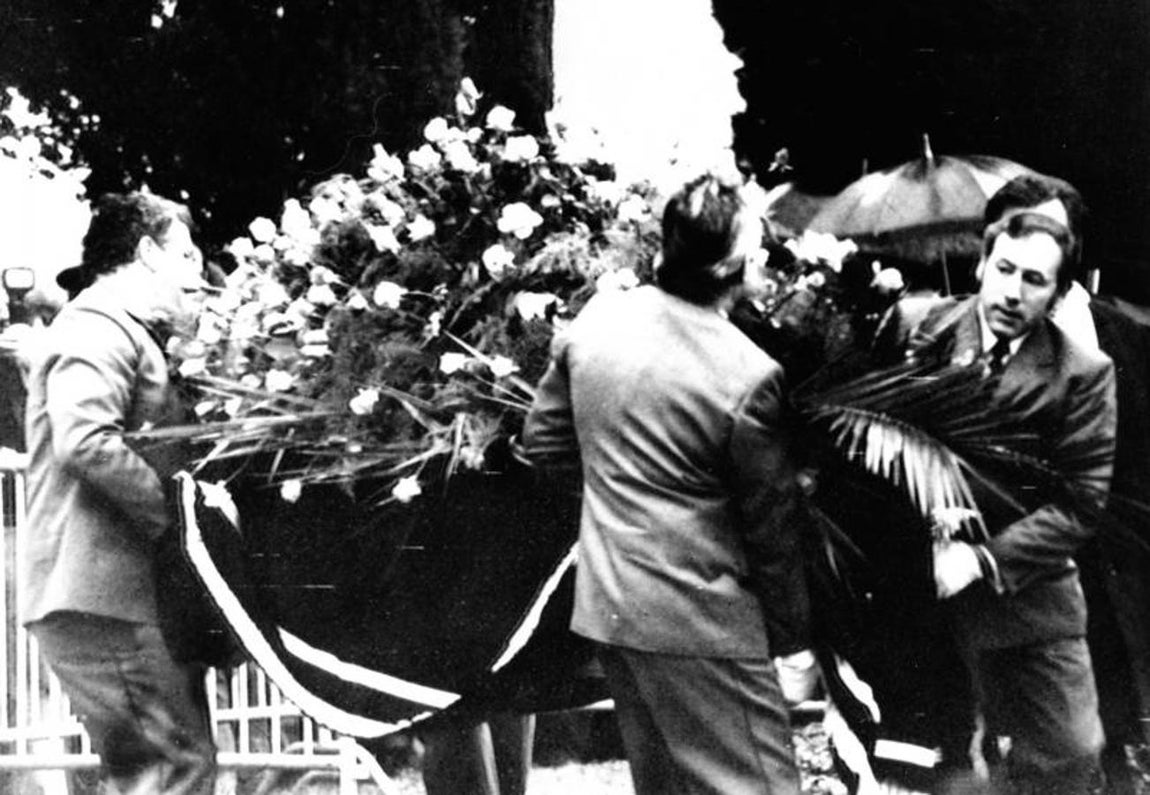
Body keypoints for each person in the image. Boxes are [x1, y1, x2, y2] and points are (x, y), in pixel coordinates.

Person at [522, 174, 818, 794]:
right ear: (739, 268)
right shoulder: (748, 374)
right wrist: (793, 644)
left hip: (612, 606)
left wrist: (616, 497)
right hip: (704, 621)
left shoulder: (596, 325)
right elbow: (772, 526)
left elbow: (543, 446)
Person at [874, 204, 1117, 793]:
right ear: (981, 264)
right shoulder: (921, 330)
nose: (1012, 291)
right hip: (923, 594)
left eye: (1035, 280)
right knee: (931, 762)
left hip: (1025, 592)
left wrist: (981, 558)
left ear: (1058, 296)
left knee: (1071, 749)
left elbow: (1082, 502)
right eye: (1004, 269)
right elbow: (865, 436)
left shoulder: (1080, 372)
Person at [21, 191, 216, 794]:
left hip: (106, 595)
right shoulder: (97, 325)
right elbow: (85, 440)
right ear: (146, 253)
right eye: (186, 257)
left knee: (164, 769)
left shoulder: (117, 330)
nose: (198, 276)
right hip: (105, 597)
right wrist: (181, 525)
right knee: (173, 770)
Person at [985, 173, 1150, 793]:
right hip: (1025, 576)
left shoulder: (1129, 339)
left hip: (1114, 573)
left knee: (1112, 735)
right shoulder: (977, 341)